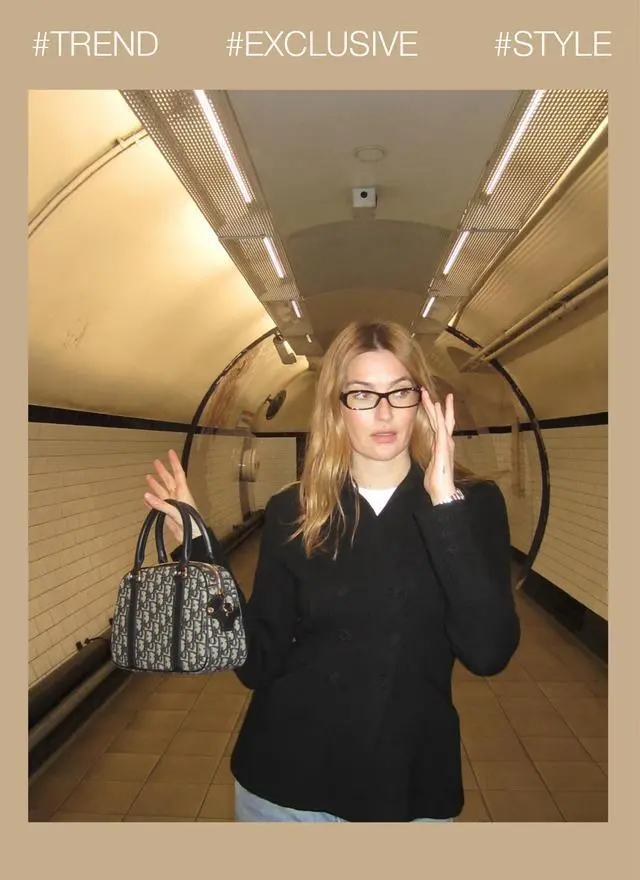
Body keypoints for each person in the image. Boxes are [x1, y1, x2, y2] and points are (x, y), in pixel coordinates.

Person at [143, 319, 520, 823]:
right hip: (286, 782)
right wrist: (202, 554)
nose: (384, 412)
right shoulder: (294, 511)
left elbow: (488, 653)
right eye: (362, 394)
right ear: (336, 408)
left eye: (399, 392)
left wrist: (443, 504)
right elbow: (257, 662)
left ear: (421, 402)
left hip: (408, 784)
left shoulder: (468, 506)